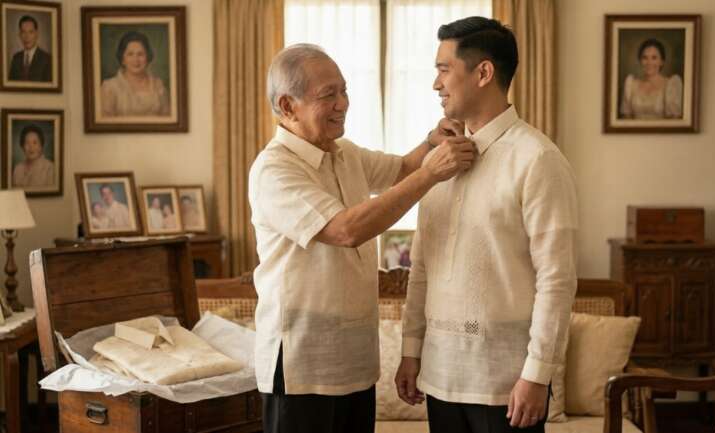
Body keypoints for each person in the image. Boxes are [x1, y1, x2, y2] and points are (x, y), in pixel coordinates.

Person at [249, 43, 476, 433]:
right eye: (328, 95)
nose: (343, 103)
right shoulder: (273, 170)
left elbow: (402, 169)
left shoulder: (344, 152)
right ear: (288, 107)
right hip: (302, 367)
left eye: (344, 90)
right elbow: (345, 229)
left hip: (354, 363)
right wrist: (432, 173)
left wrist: (431, 142)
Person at [395, 17, 578, 433]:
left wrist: (537, 375)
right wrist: (411, 350)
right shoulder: (437, 160)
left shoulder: (538, 159)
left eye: (444, 69)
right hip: (439, 380)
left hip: (507, 386)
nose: (435, 84)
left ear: (483, 73)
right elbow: (422, 264)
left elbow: (557, 279)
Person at [100, 31, 170, 117]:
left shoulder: (158, 85)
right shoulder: (109, 87)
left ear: (147, 57)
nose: (136, 60)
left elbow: (167, 118)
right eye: (130, 54)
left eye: (140, 54)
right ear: (123, 59)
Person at [620, 38, 683, 119]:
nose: (649, 62)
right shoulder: (631, 84)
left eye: (654, 58)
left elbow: (675, 123)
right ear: (640, 60)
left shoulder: (671, 85)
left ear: (661, 61)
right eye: (645, 58)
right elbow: (625, 119)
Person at [8, 15, 52, 82]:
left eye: (30, 32)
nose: (27, 36)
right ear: (19, 35)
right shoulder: (16, 58)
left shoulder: (46, 59)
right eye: (23, 32)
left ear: (36, 34)